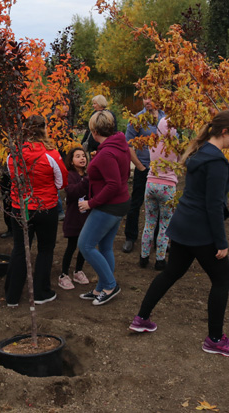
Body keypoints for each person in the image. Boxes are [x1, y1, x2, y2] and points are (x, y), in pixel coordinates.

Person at [130, 110, 229, 358]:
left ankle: (141, 318)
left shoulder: (200, 151)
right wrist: (221, 241)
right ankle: (215, 340)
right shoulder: (216, 162)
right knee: (222, 280)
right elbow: (214, 205)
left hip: (182, 224)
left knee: (172, 272)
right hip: (200, 230)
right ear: (225, 131)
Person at [4, 115, 67, 307]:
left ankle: (12, 295)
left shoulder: (13, 154)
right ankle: (41, 292)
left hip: (20, 207)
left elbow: (11, 178)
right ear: (44, 129)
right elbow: (62, 182)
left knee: (20, 249)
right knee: (45, 249)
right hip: (45, 208)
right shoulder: (52, 155)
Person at [77, 110, 131, 306]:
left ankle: (110, 285)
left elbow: (113, 184)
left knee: (85, 245)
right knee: (105, 246)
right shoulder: (119, 144)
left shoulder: (107, 152)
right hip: (119, 203)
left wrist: (90, 203)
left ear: (94, 130)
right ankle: (101, 287)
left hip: (109, 206)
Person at [122, 98, 165, 253]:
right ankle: (130, 237)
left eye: (152, 97)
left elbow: (174, 142)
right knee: (136, 203)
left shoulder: (166, 118)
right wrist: (140, 166)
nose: (148, 100)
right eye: (145, 97)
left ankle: (158, 238)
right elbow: (128, 145)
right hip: (144, 168)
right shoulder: (137, 119)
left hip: (161, 170)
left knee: (161, 204)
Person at [139, 116, 178, 270]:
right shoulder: (175, 147)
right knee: (164, 224)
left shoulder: (153, 144)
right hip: (167, 186)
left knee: (149, 222)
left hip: (151, 184)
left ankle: (144, 256)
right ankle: (160, 259)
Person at [59, 146, 91, 290]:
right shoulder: (70, 175)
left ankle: (78, 270)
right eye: (77, 156)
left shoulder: (89, 174)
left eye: (83, 156)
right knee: (72, 246)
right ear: (71, 161)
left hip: (88, 217)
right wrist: (85, 182)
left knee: (84, 246)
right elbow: (71, 192)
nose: (82, 158)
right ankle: (63, 274)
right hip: (74, 217)